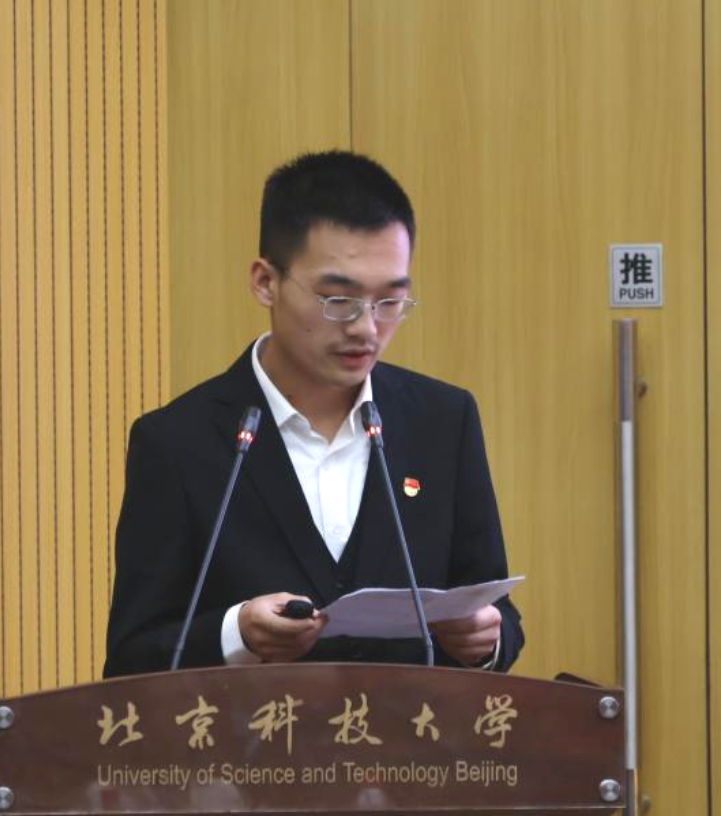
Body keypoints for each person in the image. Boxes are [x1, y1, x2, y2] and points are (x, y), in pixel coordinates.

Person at [103, 150, 523, 676]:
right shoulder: (178, 442)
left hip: (413, 732)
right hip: (252, 732)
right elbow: (131, 659)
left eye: (390, 302)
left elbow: (496, 612)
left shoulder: (443, 421)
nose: (366, 328)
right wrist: (235, 634)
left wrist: (486, 638)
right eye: (338, 301)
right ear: (266, 282)